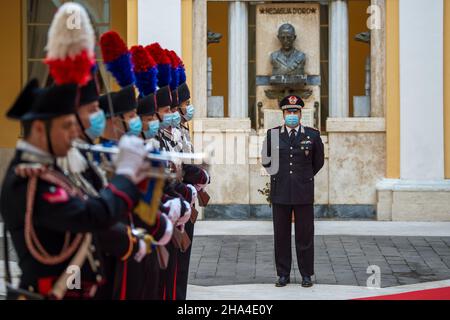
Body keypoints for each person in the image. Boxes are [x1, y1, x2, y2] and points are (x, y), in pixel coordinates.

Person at [1, 80, 148, 299]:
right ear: (41, 128)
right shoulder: (30, 179)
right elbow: (90, 215)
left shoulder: (49, 172)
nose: (74, 132)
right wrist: (125, 176)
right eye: (66, 126)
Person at [262, 95, 324, 288]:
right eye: (288, 112)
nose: (291, 115)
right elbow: (266, 160)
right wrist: (281, 177)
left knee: (305, 235)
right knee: (281, 235)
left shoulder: (312, 135)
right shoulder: (272, 135)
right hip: (280, 192)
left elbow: (318, 161)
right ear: (283, 114)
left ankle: (306, 274)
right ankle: (283, 274)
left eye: (295, 112)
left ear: (300, 114)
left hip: (303, 192)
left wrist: (303, 177)